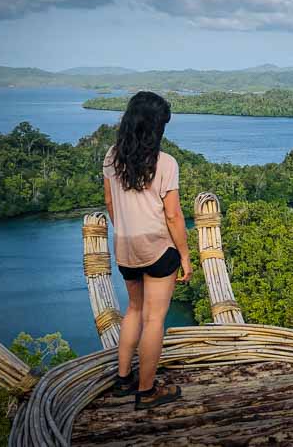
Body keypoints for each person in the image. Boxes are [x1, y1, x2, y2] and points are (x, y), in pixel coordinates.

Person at [102, 91, 193, 410]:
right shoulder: (165, 163)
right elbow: (173, 215)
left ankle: (124, 380)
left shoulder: (113, 157)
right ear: (155, 128)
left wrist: (125, 231)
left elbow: (111, 203)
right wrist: (184, 254)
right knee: (155, 320)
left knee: (134, 311)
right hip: (158, 249)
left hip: (125, 249)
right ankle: (147, 390)